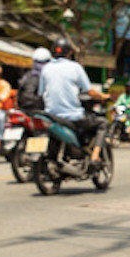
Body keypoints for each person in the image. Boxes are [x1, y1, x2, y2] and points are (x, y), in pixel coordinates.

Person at [38, 38, 107, 167]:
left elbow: (41, 93)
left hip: (51, 116)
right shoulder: (75, 67)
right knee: (102, 123)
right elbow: (90, 92)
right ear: (69, 53)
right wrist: (103, 96)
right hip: (72, 116)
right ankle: (95, 156)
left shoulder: (46, 69)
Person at [17, 48, 51, 113]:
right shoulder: (46, 76)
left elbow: (19, 91)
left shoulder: (27, 75)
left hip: (23, 108)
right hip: (38, 110)